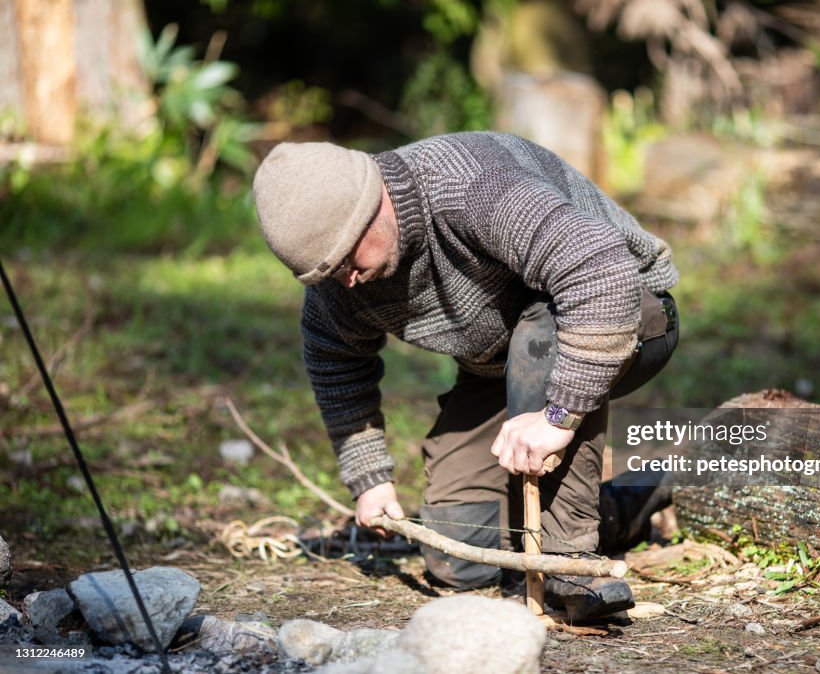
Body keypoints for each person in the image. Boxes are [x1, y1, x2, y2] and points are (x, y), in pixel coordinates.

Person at [252, 132, 679, 621]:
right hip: (502, 364)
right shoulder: (341, 277)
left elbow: (601, 271)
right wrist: (369, 478)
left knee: (541, 339)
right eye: (323, 274)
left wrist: (559, 416)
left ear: (372, 203)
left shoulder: (468, 184)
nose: (345, 279)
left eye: (346, 259)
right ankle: (643, 492)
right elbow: (334, 360)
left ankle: (571, 567)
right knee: (457, 555)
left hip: (626, 311)